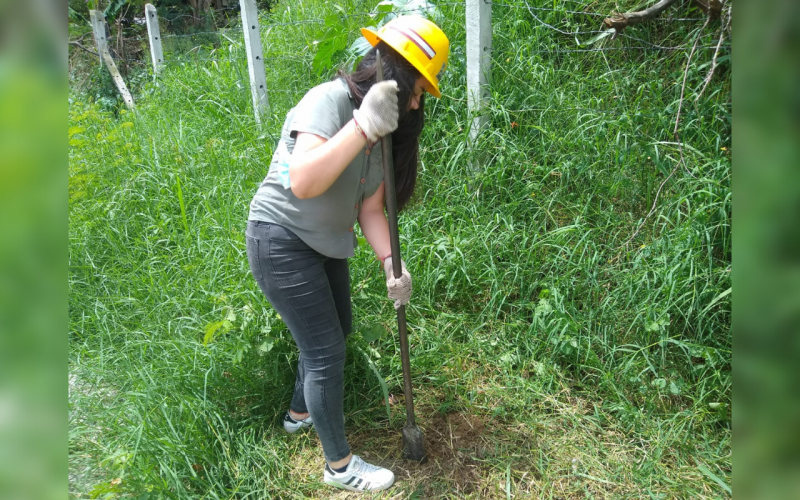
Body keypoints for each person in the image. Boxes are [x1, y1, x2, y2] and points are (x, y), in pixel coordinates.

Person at [245, 15, 449, 493]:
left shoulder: (382, 132)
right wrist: (362, 124)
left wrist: (390, 263)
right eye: (419, 88)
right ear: (397, 74)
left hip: (323, 244)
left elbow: (371, 208)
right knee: (325, 351)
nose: (419, 101)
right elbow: (304, 181)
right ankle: (339, 467)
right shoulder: (329, 101)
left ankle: (299, 415)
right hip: (281, 240)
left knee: (337, 332)